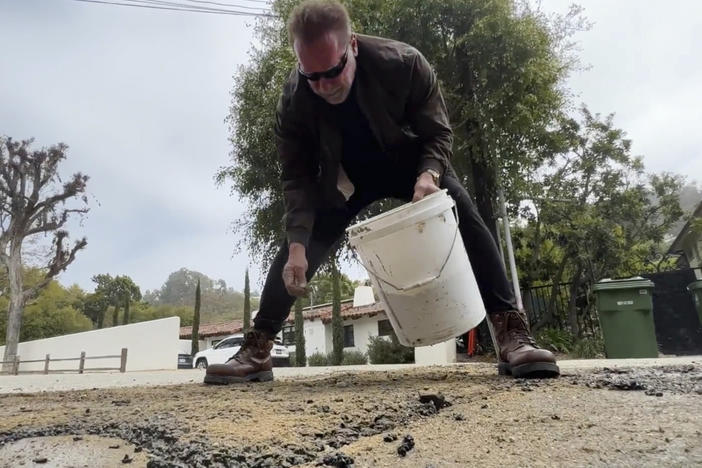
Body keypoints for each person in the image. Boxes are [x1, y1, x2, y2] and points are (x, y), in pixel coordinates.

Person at [205, 0, 559, 384]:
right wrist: (296, 245)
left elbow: (438, 132)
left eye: (334, 71)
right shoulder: (294, 101)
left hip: (412, 162)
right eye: (312, 76)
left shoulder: (404, 63)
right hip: (346, 176)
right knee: (298, 248)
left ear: (352, 45)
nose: (323, 86)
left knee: (465, 216)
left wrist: (429, 175)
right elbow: (297, 177)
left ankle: (513, 334)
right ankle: (258, 348)